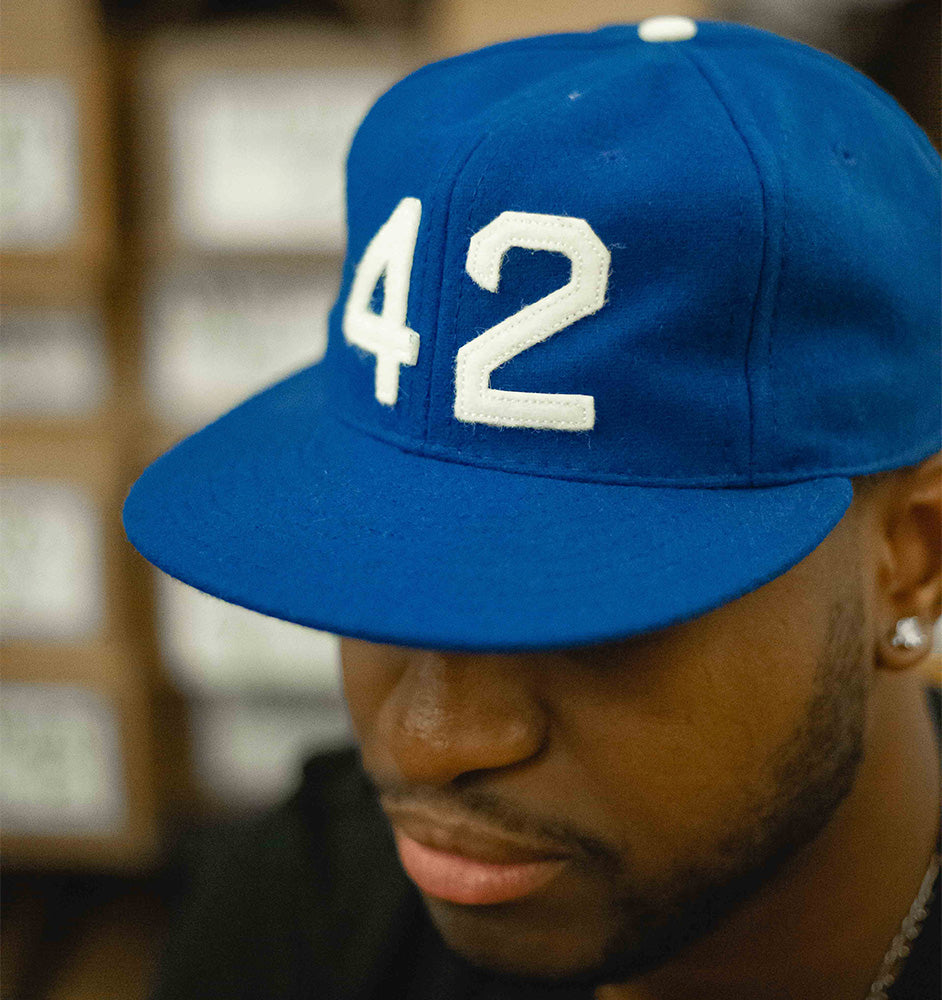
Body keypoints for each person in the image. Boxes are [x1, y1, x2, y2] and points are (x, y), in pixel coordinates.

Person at [123, 17, 941, 1000]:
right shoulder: (300, 903)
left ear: (913, 557)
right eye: (383, 569)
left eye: (592, 605)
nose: (427, 739)